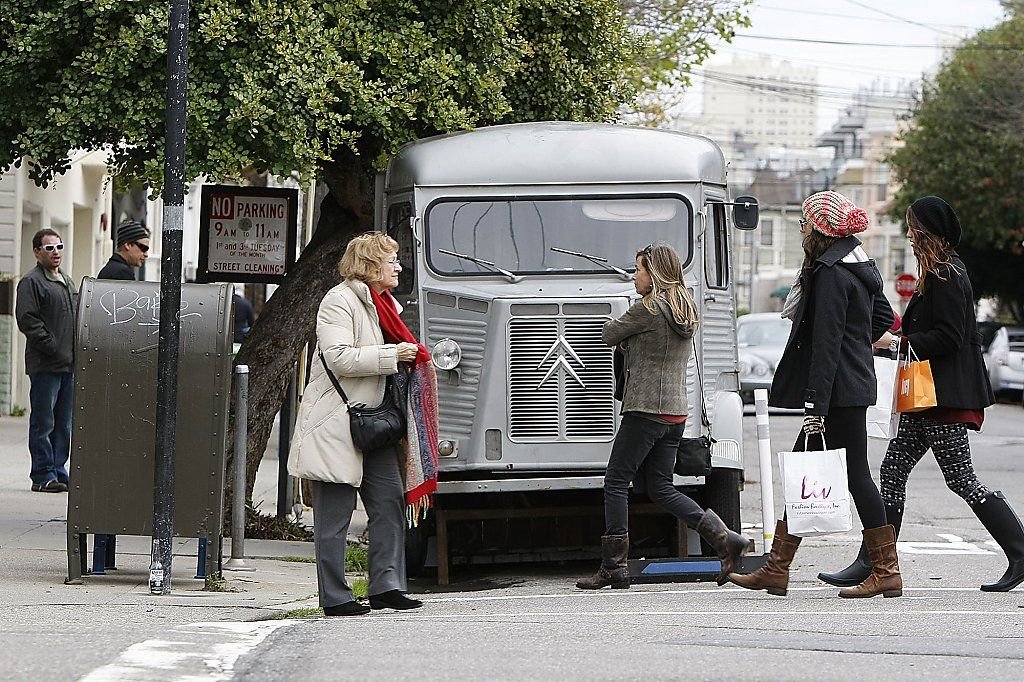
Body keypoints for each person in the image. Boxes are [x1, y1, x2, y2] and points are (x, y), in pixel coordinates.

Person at [821, 196, 1024, 592]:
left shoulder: (948, 274)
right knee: (892, 472)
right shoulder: (939, 272)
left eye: (914, 228)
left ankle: (1019, 551)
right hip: (926, 397)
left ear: (930, 231)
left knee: (962, 479)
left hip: (942, 398)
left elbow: (948, 338)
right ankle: (877, 565)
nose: (910, 235)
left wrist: (896, 343)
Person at [728, 190, 901, 598]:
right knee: (810, 472)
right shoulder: (858, 268)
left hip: (835, 392)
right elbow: (881, 319)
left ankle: (885, 569)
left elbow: (825, 345)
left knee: (857, 476)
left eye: (805, 222)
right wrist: (857, 347)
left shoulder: (829, 273)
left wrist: (813, 405)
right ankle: (777, 568)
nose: (802, 228)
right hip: (851, 385)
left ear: (821, 230)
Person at [577, 242, 749, 590]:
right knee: (660, 486)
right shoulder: (686, 307)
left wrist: (621, 331)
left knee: (615, 482)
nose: (635, 275)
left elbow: (607, 334)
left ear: (653, 273)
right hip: (675, 412)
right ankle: (725, 540)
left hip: (645, 410)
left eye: (639, 269)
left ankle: (614, 567)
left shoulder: (649, 308)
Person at [288, 233, 439, 616]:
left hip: (375, 423)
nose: (399, 267)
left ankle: (386, 586)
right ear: (371, 265)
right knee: (334, 518)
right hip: (338, 423)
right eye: (392, 260)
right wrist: (392, 355)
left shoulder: (384, 305)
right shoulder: (339, 301)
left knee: (389, 503)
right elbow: (338, 357)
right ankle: (336, 597)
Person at [15, 228, 77, 493]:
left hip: (69, 365)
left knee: (63, 424)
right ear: (37, 252)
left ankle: (58, 471)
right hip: (46, 366)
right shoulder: (32, 282)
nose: (56, 252)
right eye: (49, 248)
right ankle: (42, 475)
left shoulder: (66, 280)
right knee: (44, 423)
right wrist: (50, 345)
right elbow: (27, 319)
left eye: (59, 247)